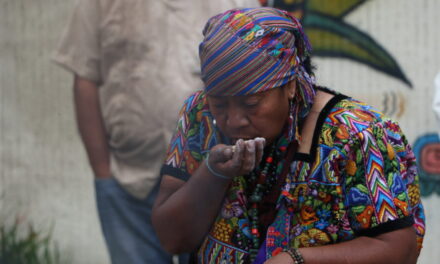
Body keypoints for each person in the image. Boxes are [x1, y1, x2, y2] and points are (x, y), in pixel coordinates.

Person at [152, 7, 426, 264]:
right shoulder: (200, 116)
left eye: (250, 104)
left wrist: (299, 259)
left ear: (291, 85)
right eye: (220, 103)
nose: (233, 120)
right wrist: (212, 173)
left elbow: (400, 248)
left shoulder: (356, 134)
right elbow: (172, 239)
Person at [52, 0, 260, 263]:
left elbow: (258, 79)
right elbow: (85, 78)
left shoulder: (237, 3)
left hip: (213, 182)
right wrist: (103, 173)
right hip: (127, 181)